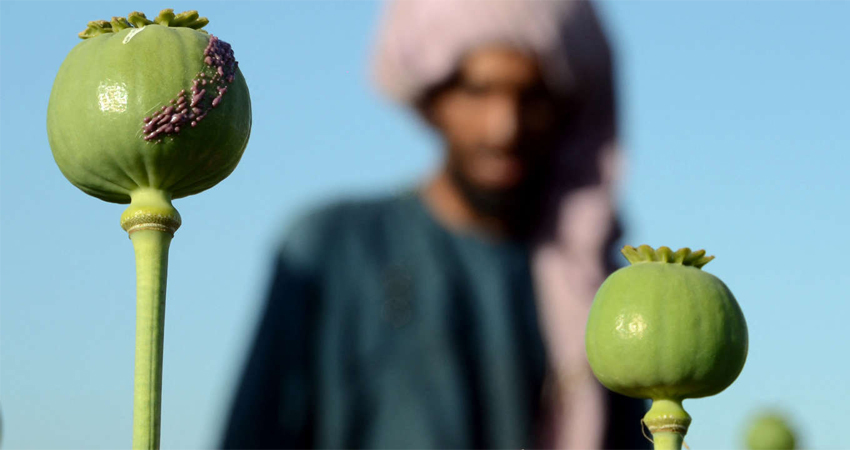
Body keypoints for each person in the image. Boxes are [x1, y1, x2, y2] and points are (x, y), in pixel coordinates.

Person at [221, 1, 648, 448]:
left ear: (565, 110)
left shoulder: (594, 289)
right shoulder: (330, 249)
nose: (505, 126)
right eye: (477, 90)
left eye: (533, 96)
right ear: (432, 101)